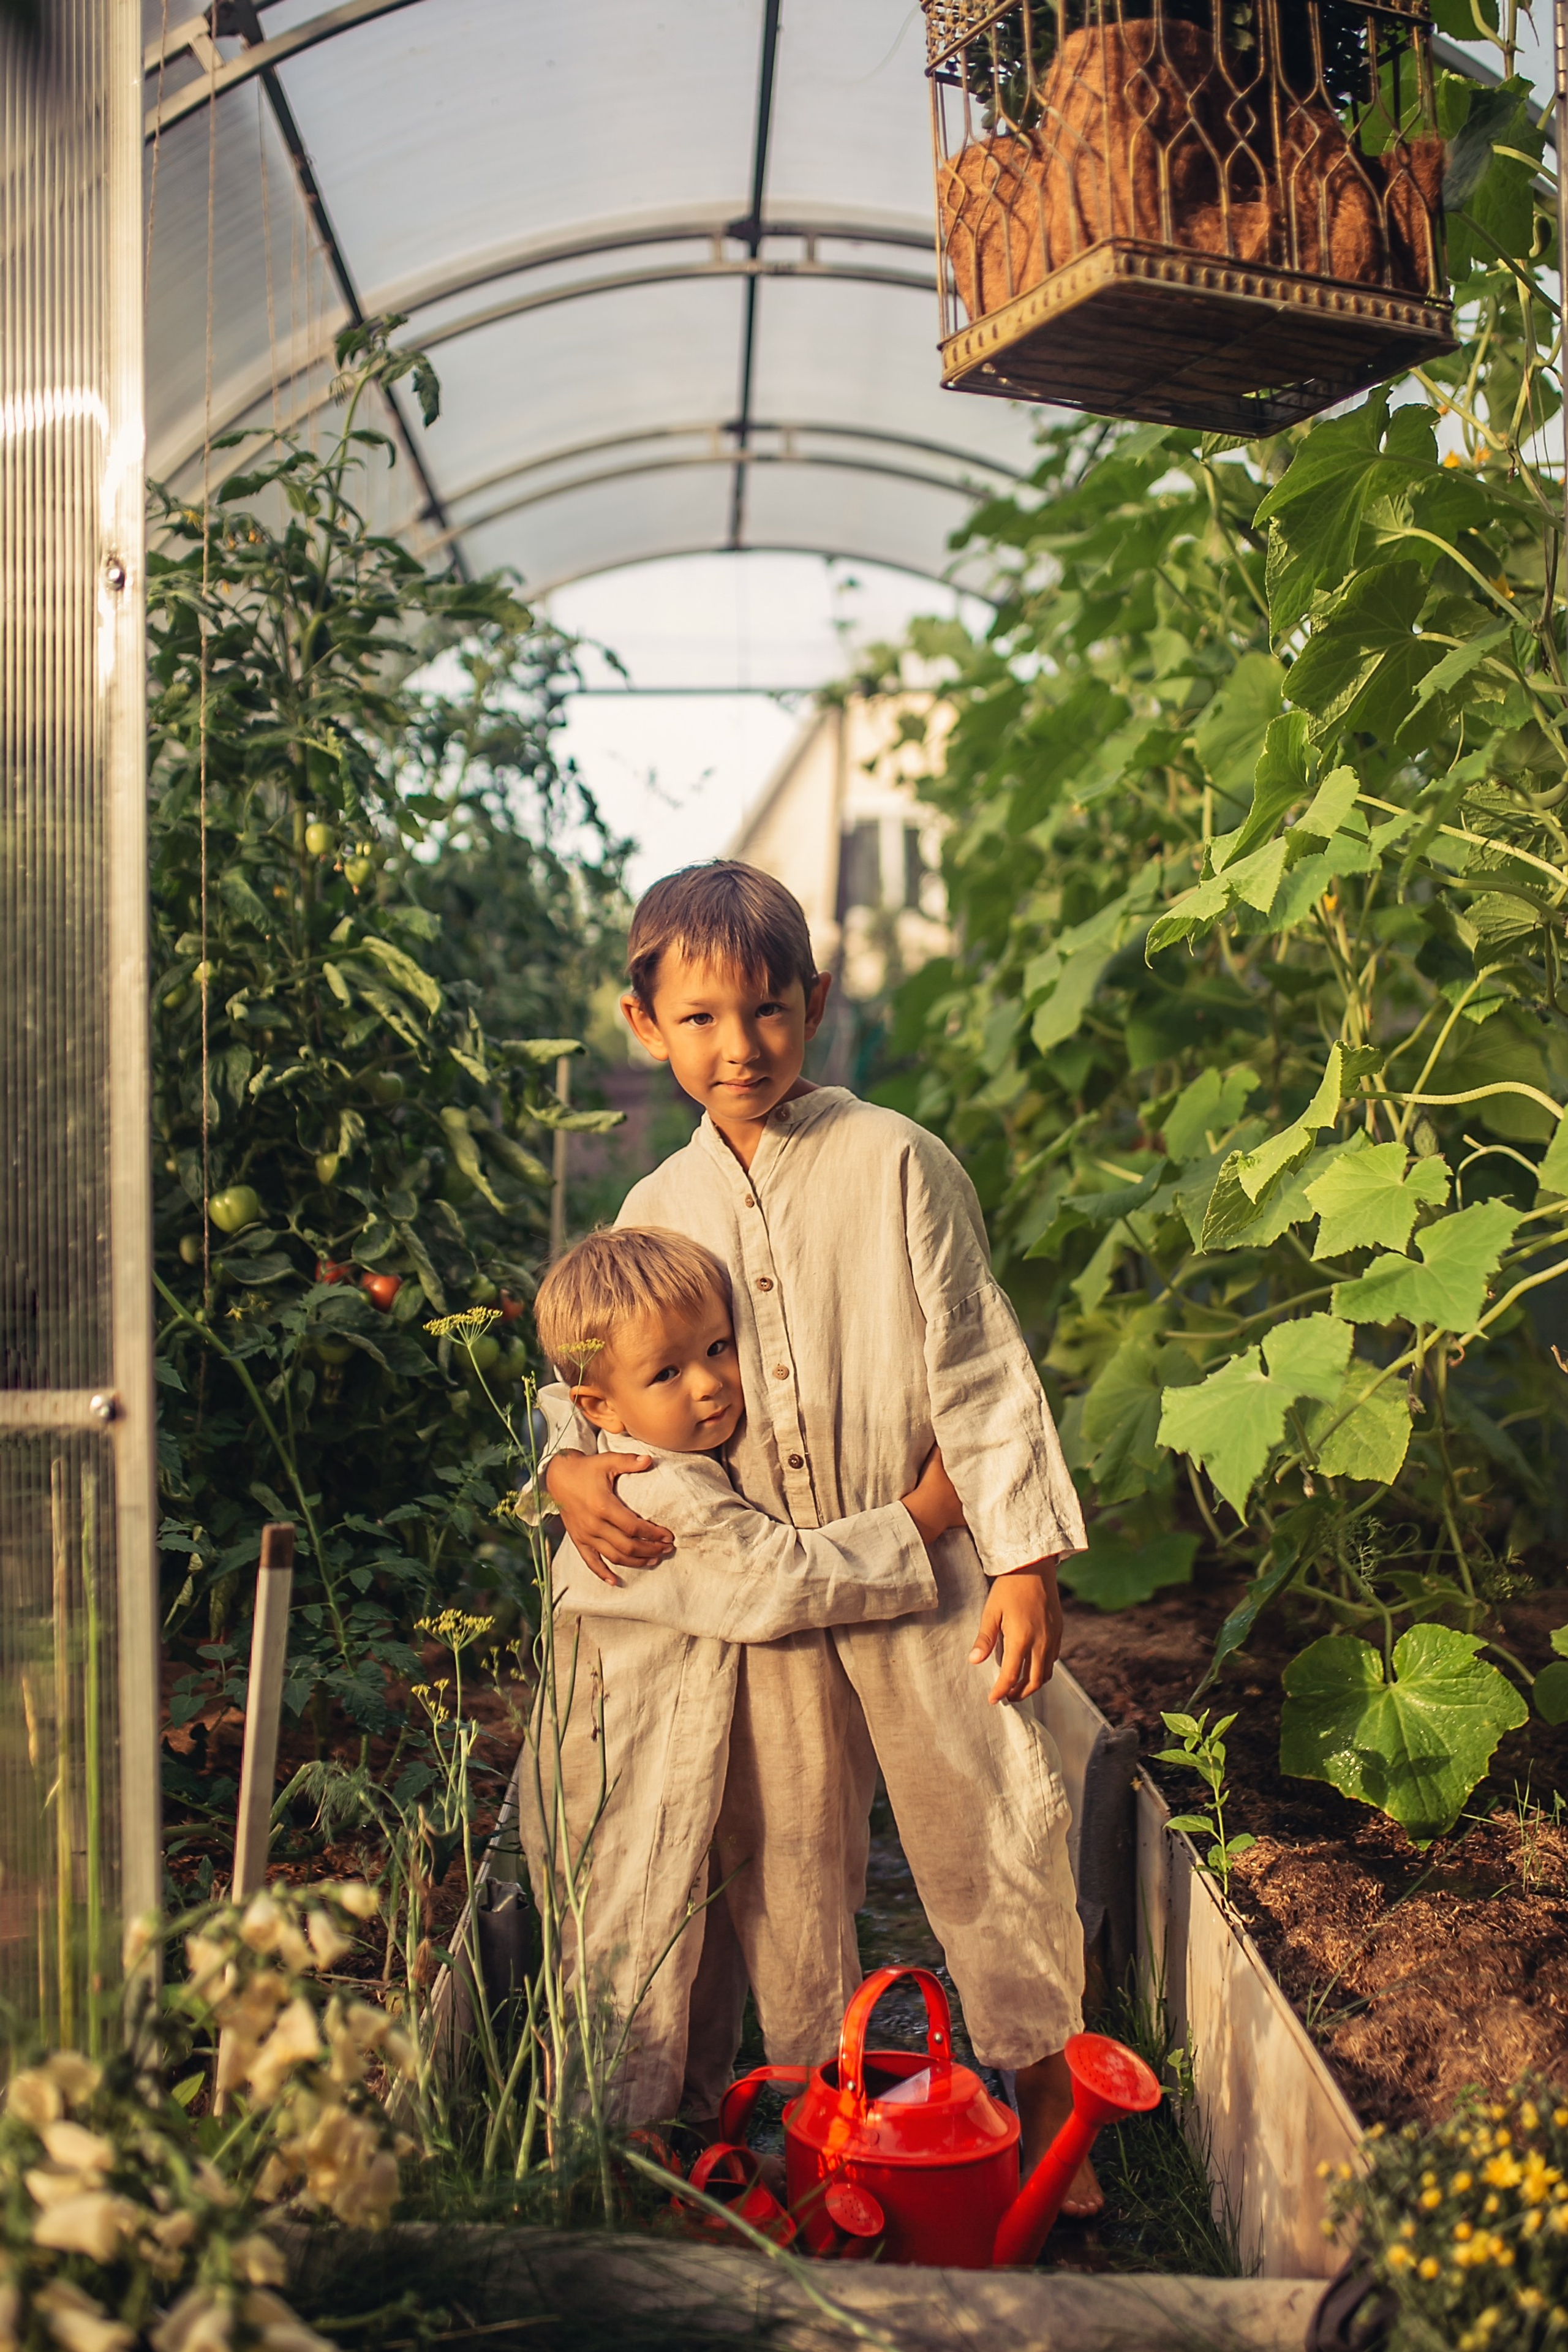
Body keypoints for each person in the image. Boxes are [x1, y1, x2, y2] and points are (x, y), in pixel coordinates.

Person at [539, 861, 1096, 2209]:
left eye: (768, 1011)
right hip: (772, 1604)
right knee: (788, 1858)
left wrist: (1022, 1561)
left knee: (990, 1817)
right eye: (700, 1019)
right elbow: (591, 1375)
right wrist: (564, 1466)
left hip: (930, 1568)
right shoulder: (655, 1210)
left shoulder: (894, 1159)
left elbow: (978, 1362)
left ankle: (1048, 2101)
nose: (739, 1047)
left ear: (816, 1003)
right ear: (644, 1025)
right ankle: (814, 2116)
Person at [524, 1222, 967, 2124]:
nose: (710, 1383)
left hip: (637, 1735)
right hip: (625, 1760)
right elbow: (781, 1577)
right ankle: (612, 2142)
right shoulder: (664, 1490)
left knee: (685, 1929)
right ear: (600, 1408)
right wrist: (922, 1516)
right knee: (637, 1933)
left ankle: (684, 2113)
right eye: (668, 1373)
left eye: (719, 1349)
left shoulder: (656, 1461)